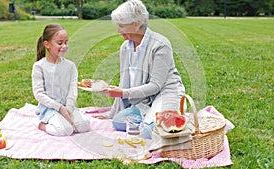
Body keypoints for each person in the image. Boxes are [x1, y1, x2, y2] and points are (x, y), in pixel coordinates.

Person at [94, 0, 185, 139]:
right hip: (143, 100)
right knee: (118, 122)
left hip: (165, 93)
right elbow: (124, 82)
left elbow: (155, 86)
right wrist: (112, 111)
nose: (118, 30)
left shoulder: (161, 45)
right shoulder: (125, 47)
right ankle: (151, 115)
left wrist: (123, 93)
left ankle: (170, 111)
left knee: (148, 133)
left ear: (136, 25)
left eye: (122, 26)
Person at [32, 23, 90, 136]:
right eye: (60, 43)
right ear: (47, 44)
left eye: (66, 42)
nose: (64, 46)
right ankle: (41, 124)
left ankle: (65, 120)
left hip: (68, 107)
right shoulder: (39, 66)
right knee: (65, 130)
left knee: (85, 126)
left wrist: (68, 108)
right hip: (50, 108)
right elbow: (39, 94)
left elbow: (73, 90)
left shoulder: (70, 66)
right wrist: (60, 108)